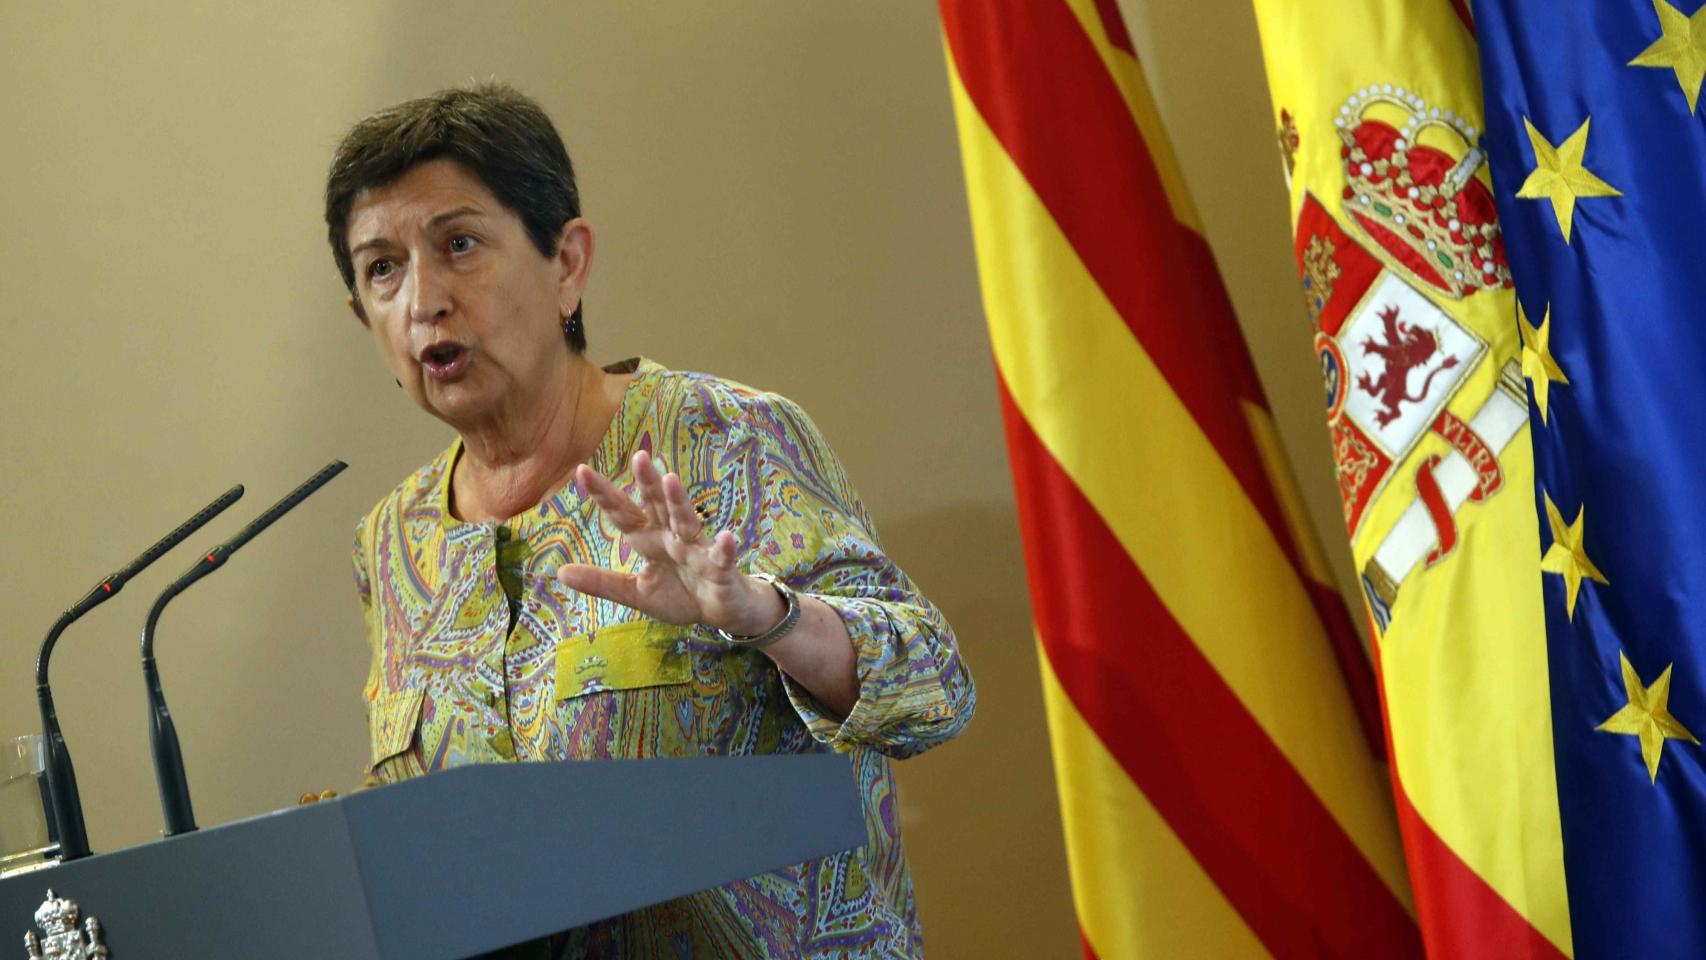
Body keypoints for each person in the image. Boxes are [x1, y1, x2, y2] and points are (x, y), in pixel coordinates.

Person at [324, 83, 975, 958]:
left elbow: (935, 690)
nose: (422, 300)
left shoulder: (727, 438)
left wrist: (768, 615)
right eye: (382, 269)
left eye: (460, 244)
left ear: (567, 264)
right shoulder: (392, 541)